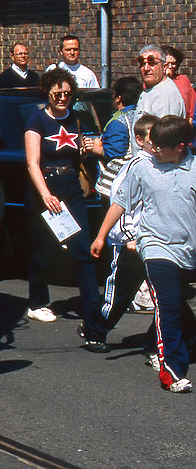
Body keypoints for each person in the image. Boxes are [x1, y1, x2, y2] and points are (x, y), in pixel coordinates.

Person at [92, 115, 196, 392]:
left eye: (160, 147)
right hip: (154, 246)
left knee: (175, 306)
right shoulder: (142, 167)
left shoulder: (194, 168)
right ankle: (172, 372)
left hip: (187, 250)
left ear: (181, 146)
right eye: (152, 144)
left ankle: (156, 345)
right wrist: (102, 236)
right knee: (169, 305)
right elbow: (120, 203)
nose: (153, 149)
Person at [23, 68, 99, 326]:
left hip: (71, 188)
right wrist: (45, 195)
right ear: (47, 92)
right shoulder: (36, 120)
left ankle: (92, 308)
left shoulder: (76, 118)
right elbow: (32, 163)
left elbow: (80, 154)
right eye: (57, 93)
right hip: (47, 188)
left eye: (67, 93)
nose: (62, 98)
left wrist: (88, 149)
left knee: (83, 249)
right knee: (43, 250)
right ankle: (37, 303)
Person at [82, 113, 157, 352]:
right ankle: (94, 330)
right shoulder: (134, 167)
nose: (158, 143)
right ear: (140, 140)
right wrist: (129, 237)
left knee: (165, 295)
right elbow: (121, 205)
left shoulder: (160, 165)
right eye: (153, 138)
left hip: (153, 241)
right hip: (130, 241)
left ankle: (163, 337)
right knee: (119, 293)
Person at [137, 43, 185, 118]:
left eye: (152, 64)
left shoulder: (165, 95)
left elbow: (166, 129)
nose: (146, 68)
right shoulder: (152, 89)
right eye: (142, 64)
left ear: (164, 67)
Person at [161, 46, 195, 122]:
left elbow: (191, 105)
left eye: (173, 63)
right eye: (167, 64)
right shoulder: (155, 81)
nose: (170, 67)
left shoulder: (183, 80)